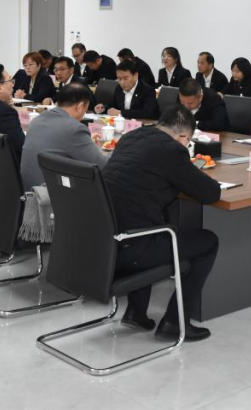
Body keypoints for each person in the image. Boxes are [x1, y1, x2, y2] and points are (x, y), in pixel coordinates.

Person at [103, 107, 220, 341]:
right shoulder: (172, 150)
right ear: (183, 137)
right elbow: (210, 193)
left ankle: (136, 312)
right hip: (132, 249)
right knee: (207, 241)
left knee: (151, 224)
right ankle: (175, 322)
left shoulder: (132, 137)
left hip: (106, 242)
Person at [20, 83, 107, 190]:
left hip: (29, 191)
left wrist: (87, 142)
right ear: (80, 107)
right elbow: (103, 165)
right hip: (53, 194)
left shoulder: (37, 120)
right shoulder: (74, 129)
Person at [94, 60, 159, 119]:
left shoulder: (148, 90)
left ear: (136, 75)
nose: (122, 82)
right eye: (119, 79)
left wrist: (121, 113)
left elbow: (146, 113)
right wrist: (104, 108)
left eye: (125, 78)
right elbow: (114, 106)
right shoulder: (119, 88)